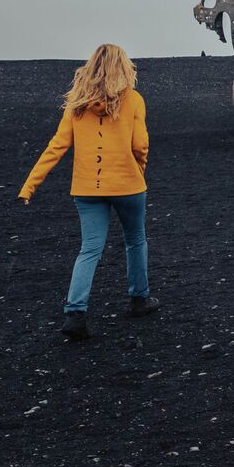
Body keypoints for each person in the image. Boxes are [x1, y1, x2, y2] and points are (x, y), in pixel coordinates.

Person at [20, 43, 156, 339]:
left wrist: (30, 185)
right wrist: (139, 169)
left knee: (90, 249)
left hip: (87, 187)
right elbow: (140, 145)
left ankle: (75, 313)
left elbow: (56, 146)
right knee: (135, 240)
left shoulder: (76, 105)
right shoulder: (133, 100)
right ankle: (139, 299)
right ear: (124, 67)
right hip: (127, 185)